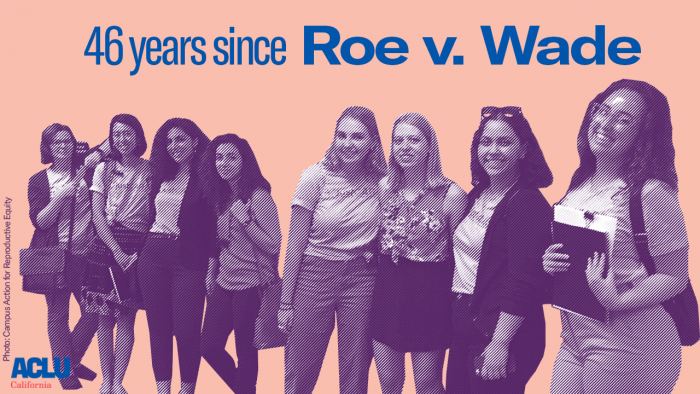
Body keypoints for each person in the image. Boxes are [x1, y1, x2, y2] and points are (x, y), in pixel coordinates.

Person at [543, 80, 689, 394]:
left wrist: (616, 299)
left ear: (643, 134)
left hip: (630, 341)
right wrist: (551, 261)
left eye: (623, 119)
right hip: (574, 339)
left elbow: (675, 277)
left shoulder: (651, 193)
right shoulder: (579, 185)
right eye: (603, 111)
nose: (605, 124)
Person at [278, 106, 387, 394]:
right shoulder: (314, 177)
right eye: (342, 135)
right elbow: (295, 244)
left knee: (356, 366)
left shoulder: (383, 181)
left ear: (372, 142)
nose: (348, 144)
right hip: (314, 274)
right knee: (300, 365)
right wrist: (285, 302)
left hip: (363, 278)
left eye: (358, 137)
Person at [445, 107, 552, 394]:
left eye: (504, 142)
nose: (492, 150)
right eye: (485, 142)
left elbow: (524, 280)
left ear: (523, 149)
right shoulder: (478, 194)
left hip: (499, 334)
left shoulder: (526, 203)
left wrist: (500, 343)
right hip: (467, 325)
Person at [371, 113, 468, 394]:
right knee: (389, 383)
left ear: (430, 146)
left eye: (413, 139)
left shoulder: (452, 195)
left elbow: (462, 255)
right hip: (388, 289)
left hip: (430, 294)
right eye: (398, 140)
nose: (405, 147)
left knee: (426, 384)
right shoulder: (384, 188)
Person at [27, 123, 108, 389]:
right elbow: (40, 222)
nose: (63, 145)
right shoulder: (39, 181)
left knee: (96, 311)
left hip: (87, 254)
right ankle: (64, 371)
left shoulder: (85, 167)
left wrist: (98, 152)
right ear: (48, 147)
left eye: (68, 140)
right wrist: (61, 196)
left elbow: (111, 141)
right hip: (55, 255)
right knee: (58, 315)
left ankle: (69, 360)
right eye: (57, 142)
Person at [199, 134, 282, 394]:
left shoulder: (258, 197)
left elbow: (274, 244)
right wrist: (211, 272)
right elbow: (218, 240)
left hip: (252, 285)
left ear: (244, 161)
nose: (224, 163)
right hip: (224, 282)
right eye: (219, 157)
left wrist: (245, 219)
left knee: (245, 350)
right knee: (209, 346)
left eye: (231, 157)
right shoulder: (221, 196)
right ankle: (244, 390)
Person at [137, 118, 215, 394]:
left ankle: (186, 390)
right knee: (158, 330)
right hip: (153, 256)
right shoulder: (161, 174)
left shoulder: (208, 177)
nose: (173, 146)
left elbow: (212, 228)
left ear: (195, 142)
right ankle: (162, 390)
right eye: (169, 141)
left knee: (187, 331)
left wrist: (212, 267)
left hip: (189, 260)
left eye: (180, 139)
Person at [85, 114, 151, 394]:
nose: (122, 139)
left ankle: (118, 382)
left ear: (138, 136)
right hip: (105, 244)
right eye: (116, 135)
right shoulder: (104, 169)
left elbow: (157, 213)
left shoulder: (152, 170)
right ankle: (105, 381)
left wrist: (139, 251)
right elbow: (97, 215)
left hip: (137, 246)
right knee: (104, 317)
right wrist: (117, 251)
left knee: (126, 316)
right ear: (111, 139)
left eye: (128, 133)